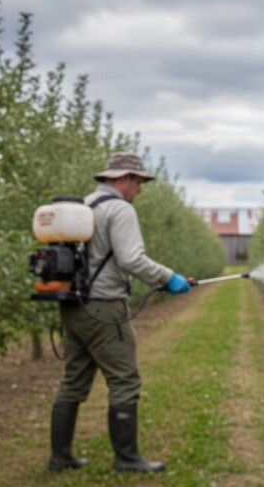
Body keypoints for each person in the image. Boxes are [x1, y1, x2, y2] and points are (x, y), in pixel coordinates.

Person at [47, 151, 191, 473]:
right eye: (139, 183)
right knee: (124, 379)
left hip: (73, 305)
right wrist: (168, 278)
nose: (140, 190)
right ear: (125, 179)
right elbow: (131, 258)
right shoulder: (120, 209)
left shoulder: (83, 206)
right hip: (104, 308)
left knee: (73, 381)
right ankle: (127, 459)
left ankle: (60, 457)